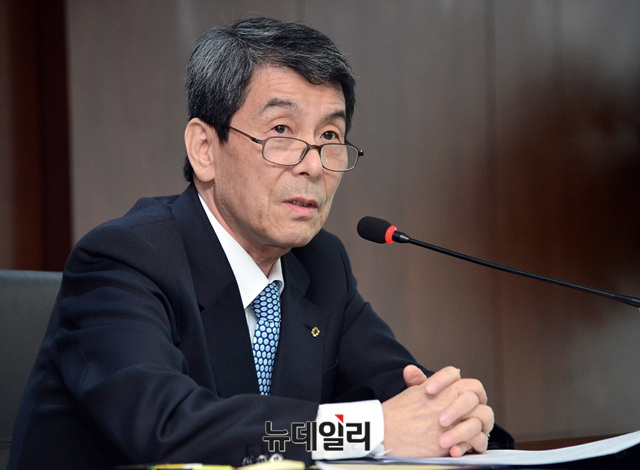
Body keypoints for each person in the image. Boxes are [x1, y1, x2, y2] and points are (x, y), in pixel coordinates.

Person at [8, 17, 513, 470]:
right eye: (282, 130)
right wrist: (368, 430)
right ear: (205, 150)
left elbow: (405, 393)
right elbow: (166, 429)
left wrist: (457, 419)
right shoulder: (125, 259)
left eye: (330, 136)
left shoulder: (321, 265)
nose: (312, 164)